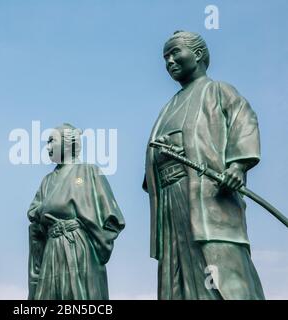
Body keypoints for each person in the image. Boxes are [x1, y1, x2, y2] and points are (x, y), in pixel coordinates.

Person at [143, 31, 265, 300]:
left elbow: (244, 122)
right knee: (178, 269)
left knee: (220, 264)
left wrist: (237, 166)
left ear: (197, 54)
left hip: (208, 194)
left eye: (175, 53)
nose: (169, 61)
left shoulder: (219, 90)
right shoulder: (168, 107)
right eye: (166, 57)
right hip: (171, 199)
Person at [28, 123, 125, 300]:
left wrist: (94, 239)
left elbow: (112, 218)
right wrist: (47, 210)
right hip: (52, 248)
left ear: (67, 143)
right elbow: (34, 212)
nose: (47, 147)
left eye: (52, 141)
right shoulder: (47, 181)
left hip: (79, 246)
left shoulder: (90, 171)